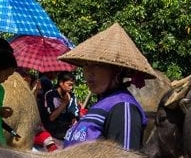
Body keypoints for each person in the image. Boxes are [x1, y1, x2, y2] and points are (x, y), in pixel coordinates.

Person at [59, 23, 155, 151]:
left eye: (97, 65)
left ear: (117, 70)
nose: (89, 72)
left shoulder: (123, 107)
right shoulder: (102, 103)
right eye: (86, 64)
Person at [40, 71, 80, 141]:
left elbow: (74, 114)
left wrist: (74, 119)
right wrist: (64, 103)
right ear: (61, 83)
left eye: (72, 85)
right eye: (69, 85)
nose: (71, 88)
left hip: (67, 131)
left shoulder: (72, 97)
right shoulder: (50, 95)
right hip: (53, 130)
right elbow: (51, 118)